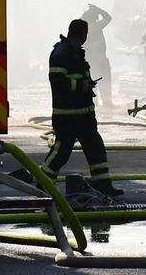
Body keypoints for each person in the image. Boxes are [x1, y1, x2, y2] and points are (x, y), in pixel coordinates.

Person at [39, 18, 123, 197]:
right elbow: (57, 81)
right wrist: (81, 86)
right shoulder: (61, 53)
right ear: (83, 35)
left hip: (83, 114)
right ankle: (43, 184)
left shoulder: (75, 52)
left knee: (95, 149)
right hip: (67, 115)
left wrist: (85, 84)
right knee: (61, 152)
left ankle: (102, 185)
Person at [81, 3, 114, 109]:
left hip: (89, 60)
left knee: (92, 81)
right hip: (99, 59)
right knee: (104, 80)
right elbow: (108, 18)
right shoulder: (95, 26)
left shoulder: (82, 28)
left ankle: (94, 103)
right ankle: (107, 103)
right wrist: (98, 9)